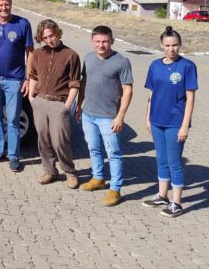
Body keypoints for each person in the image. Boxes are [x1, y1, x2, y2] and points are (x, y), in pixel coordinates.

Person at [143, 26, 198, 218]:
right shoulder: (155, 66)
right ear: (161, 45)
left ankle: (177, 203)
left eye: (175, 45)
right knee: (161, 159)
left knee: (174, 162)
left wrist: (185, 125)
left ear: (180, 44)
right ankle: (162, 195)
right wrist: (148, 117)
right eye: (167, 45)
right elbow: (152, 94)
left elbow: (190, 98)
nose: (171, 49)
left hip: (176, 122)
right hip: (157, 120)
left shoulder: (187, 66)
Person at [75, 26, 133, 207]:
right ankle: (98, 178)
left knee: (113, 153)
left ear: (112, 41)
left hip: (109, 116)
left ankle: (115, 188)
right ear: (92, 42)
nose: (101, 45)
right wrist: (79, 104)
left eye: (105, 41)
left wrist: (120, 116)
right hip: (88, 114)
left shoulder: (121, 61)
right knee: (93, 148)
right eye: (98, 41)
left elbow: (128, 90)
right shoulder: (89, 58)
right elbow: (84, 82)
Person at [0, 0, 34, 172]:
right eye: (0, 5)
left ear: (11, 5)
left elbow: (30, 53)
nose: (3, 8)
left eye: (6, 4)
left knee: (12, 119)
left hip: (15, 79)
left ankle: (13, 156)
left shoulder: (23, 24)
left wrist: (28, 77)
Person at [28, 19, 81, 189]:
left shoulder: (71, 55)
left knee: (60, 141)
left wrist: (67, 106)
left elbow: (75, 84)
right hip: (40, 101)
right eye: (45, 38)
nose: (49, 40)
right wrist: (31, 97)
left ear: (57, 33)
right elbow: (33, 76)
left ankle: (70, 172)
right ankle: (50, 171)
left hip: (59, 103)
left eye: (51, 35)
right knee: (43, 139)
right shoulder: (37, 54)